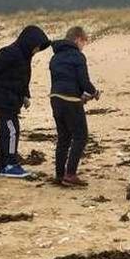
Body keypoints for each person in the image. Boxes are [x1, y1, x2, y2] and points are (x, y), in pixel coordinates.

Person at [0, 25, 50, 177]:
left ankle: (3, 164)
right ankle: (10, 164)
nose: (37, 51)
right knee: (11, 130)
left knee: (6, 130)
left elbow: (22, 79)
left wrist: (25, 96)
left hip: (11, 100)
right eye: (36, 47)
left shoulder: (25, 56)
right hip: (1, 99)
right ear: (29, 42)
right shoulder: (10, 52)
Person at [48, 26, 100, 185]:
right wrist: (94, 92)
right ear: (77, 39)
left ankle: (59, 174)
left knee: (64, 137)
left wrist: (80, 95)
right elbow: (83, 82)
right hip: (70, 100)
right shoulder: (78, 56)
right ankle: (70, 174)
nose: (84, 45)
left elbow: (63, 81)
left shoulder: (55, 58)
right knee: (81, 136)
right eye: (84, 41)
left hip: (55, 98)